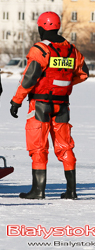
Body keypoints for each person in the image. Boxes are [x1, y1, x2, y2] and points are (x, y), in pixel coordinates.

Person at [9, 11, 89, 199]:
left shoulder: (40, 49)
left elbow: (29, 79)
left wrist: (16, 101)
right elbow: (83, 73)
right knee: (65, 146)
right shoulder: (71, 50)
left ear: (41, 27)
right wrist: (64, 84)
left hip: (40, 105)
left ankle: (38, 190)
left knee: (38, 147)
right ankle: (71, 191)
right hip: (62, 105)